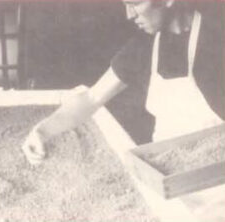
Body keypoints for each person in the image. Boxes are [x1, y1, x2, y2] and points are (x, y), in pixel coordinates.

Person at [23, 0, 225, 165]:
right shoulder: (143, 48)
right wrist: (43, 130)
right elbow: (91, 97)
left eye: (135, 3)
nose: (129, 15)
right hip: (166, 171)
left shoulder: (217, 38)